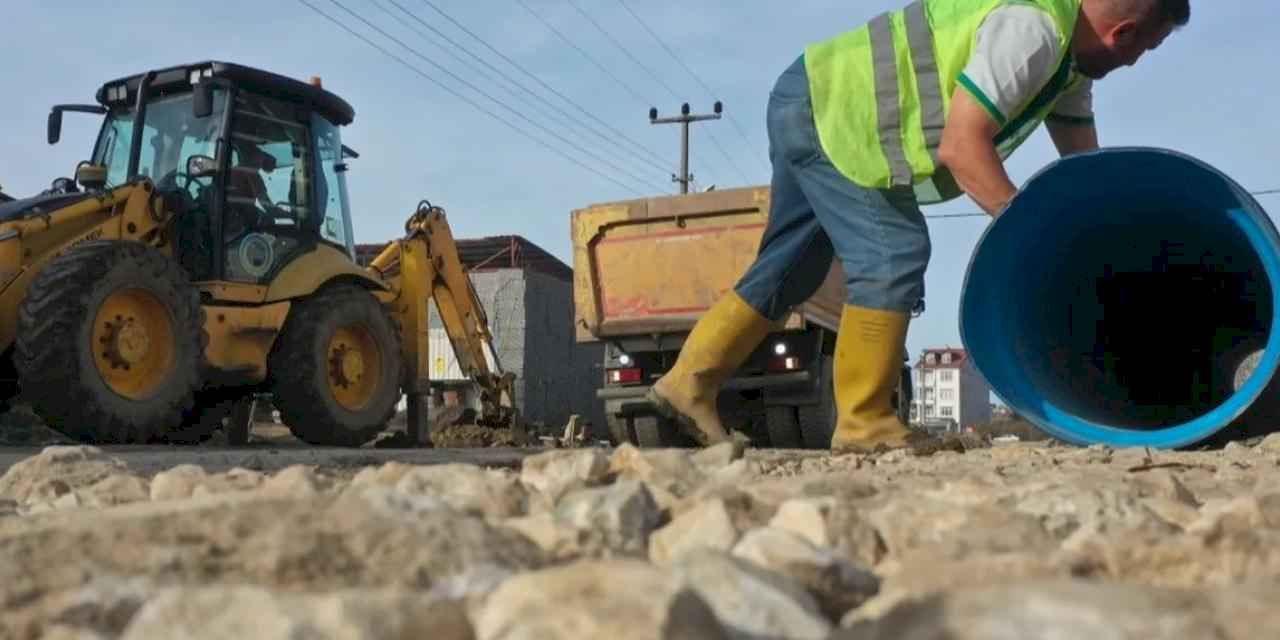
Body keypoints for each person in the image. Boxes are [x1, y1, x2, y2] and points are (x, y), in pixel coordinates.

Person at [647, 0, 1190, 452]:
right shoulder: (1033, 31)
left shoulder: (1067, 64)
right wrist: (1033, 236)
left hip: (811, 94)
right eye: (1146, 48)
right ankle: (864, 422)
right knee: (894, 252)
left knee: (794, 263)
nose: (1137, 62)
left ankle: (686, 385)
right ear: (1124, 32)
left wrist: (1105, 235)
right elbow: (962, 147)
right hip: (837, 112)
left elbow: (1082, 164)